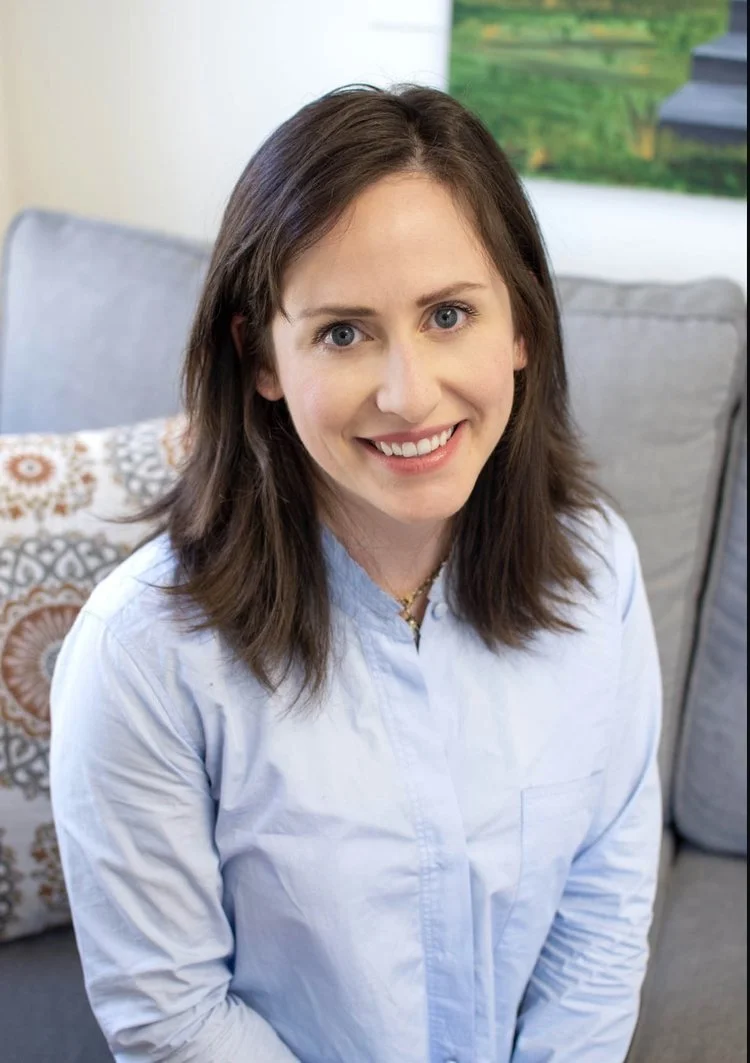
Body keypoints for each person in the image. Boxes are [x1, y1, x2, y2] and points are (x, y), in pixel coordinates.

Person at [49, 84, 663, 1063]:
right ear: (261, 356)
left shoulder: (598, 569)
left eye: (449, 314)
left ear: (521, 327)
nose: (408, 395)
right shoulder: (139, 657)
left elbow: (603, 903)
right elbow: (174, 1017)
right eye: (343, 331)